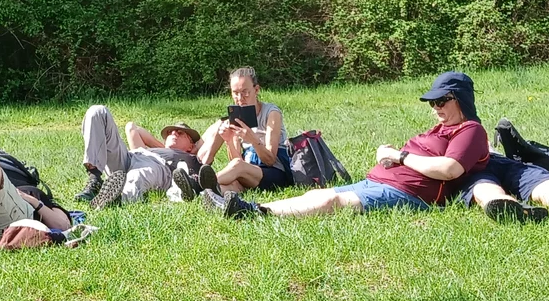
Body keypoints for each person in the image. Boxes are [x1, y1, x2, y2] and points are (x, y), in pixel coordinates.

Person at [201, 71, 486, 220]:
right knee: (318, 193)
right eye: (432, 102)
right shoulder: (442, 128)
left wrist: (399, 156)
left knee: (332, 202)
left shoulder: (471, 130)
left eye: (441, 101)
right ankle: (248, 206)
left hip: (408, 192)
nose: (435, 108)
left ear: (460, 100)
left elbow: (449, 169)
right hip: (380, 181)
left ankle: (249, 213)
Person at [177, 67, 291, 200]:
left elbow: (270, 160)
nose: (240, 98)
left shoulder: (271, 113)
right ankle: (197, 193)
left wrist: (252, 139)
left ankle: (195, 184)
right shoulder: (237, 116)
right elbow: (236, 160)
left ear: (256, 90)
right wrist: (229, 140)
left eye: (245, 92)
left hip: (275, 172)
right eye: (235, 93)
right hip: (249, 172)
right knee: (229, 186)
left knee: (238, 166)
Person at [77, 105, 206, 211]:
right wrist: (165, 148)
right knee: (98, 111)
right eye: (170, 132)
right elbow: (131, 127)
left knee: (139, 175)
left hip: (160, 166)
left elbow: (210, 137)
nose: (173, 133)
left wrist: (194, 148)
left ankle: (117, 199)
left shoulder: (192, 157)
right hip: (132, 156)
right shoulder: (153, 149)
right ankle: (94, 179)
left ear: (191, 145)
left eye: (180, 133)